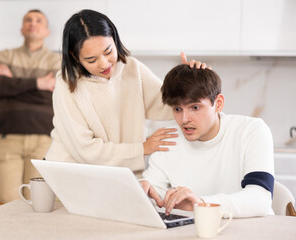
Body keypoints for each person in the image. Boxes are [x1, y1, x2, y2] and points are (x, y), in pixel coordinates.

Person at [45, 9, 207, 177]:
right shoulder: (67, 84)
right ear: (74, 56)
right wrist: (142, 148)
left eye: (108, 51)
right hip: (70, 176)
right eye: (91, 60)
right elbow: (85, 151)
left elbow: (171, 104)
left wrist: (191, 80)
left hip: (120, 176)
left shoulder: (132, 69)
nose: (104, 64)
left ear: (115, 39)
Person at [140, 64, 275, 218]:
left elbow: (260, 199)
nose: (184, 120)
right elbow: (155, 190)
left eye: (195, 107)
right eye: (177, 109)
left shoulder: (251, 131)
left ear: (218, 104)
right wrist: (146, 190)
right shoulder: (168, 138)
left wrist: (201, 204)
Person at [0, 9, 61, 203]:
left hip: (43, 141)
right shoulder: (6, 55)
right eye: (28, 20)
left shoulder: (57, 61)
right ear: (22, 28)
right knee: (9, 203)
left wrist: (13, 85)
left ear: (47, 32)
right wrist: (39, 84)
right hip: (9, 139)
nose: (33, 23)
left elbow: (54, 98)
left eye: (38, 20)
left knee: (38, 203)